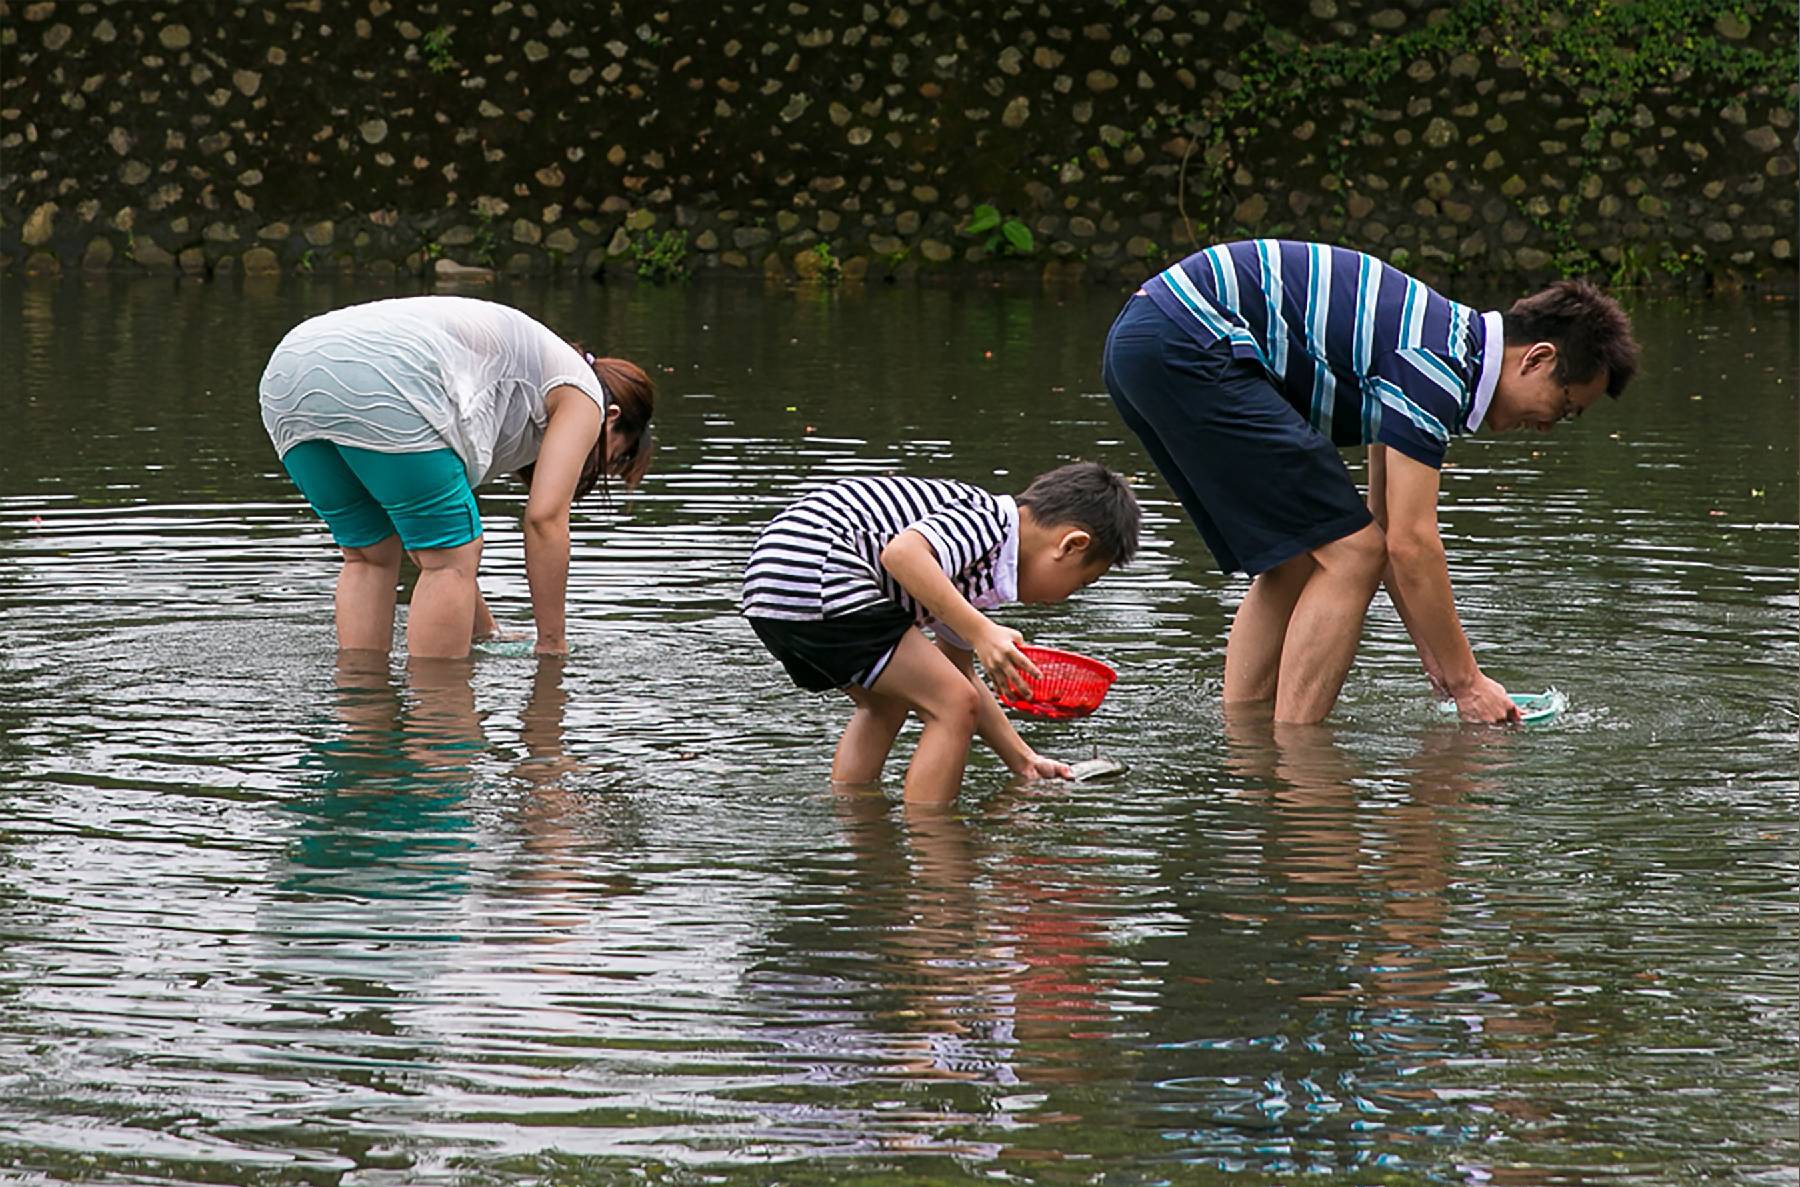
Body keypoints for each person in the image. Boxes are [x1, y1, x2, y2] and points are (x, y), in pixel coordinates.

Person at [1103, 240, 1638, 724]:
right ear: (1538, 359)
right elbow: (1410, 544)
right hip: (1188, 339)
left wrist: (1440, 659)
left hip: (1149, 337)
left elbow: (1389, 526)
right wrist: (1467, 682)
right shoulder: (1437, 364)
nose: (1546, 427)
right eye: (1563, 408)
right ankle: (1298, 763)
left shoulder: (1441, 344)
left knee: (1299, 557)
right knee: (1350, 553)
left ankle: (1248, 745)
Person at [260, 296, 654, 659]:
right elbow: (544, 519)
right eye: (610, 457)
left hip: (289, 372)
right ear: (612, 417)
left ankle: (363, 714)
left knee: (370, 557)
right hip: (384, 377)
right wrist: (552, 644)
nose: (589, 463)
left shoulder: (521, 381)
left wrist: (488, 633)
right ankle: (438, 725)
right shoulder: (584, 395)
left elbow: (432, 543)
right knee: (447, 562)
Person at [742, 463, 1141, 808]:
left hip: (774, 587)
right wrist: (982, 631)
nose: (1069, 596)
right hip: (818, 566)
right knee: (951, 705)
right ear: (1071, 545)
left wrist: (1022, 760)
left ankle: (857, 818)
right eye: (1083, 581)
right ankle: (936, 849)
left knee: (887, 703)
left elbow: (958, 672)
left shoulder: (976, 581)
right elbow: (902, 555)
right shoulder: (989, 522)